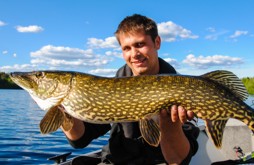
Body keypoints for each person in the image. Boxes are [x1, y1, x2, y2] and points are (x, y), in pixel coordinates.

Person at [61, 14, 199, 165]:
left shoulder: (184, 89)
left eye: (140, 44)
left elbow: (178, 160)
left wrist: (169, 124)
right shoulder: (114, 88)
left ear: (157, 42)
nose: (134, 54)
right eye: (126, 48)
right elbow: (80, 140)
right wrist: (62, 110)